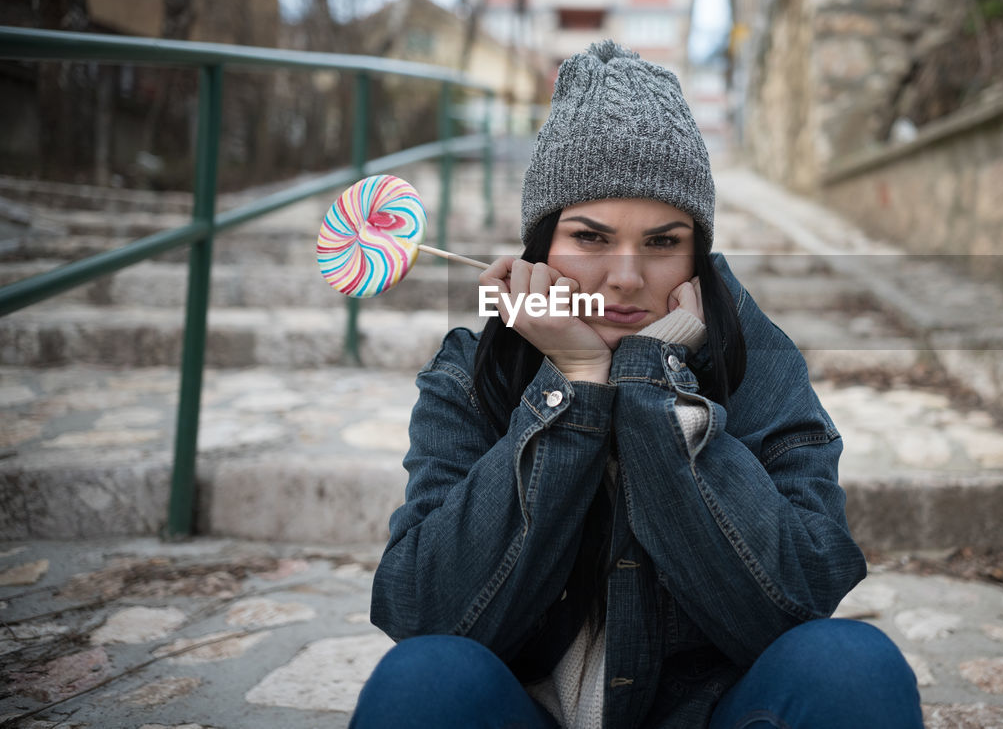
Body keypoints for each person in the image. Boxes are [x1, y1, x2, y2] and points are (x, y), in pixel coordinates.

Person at [350, 40, 923, 729]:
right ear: (541, 247)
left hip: (705, 714)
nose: (625, 277)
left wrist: (657, 387)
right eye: (590, 238)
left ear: (696, 251)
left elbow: (795, 603)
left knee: (853, 667)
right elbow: (425, 613)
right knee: (424, 683)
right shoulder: (473, 375)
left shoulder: (757, 363)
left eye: (661, 242)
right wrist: (572, 385)